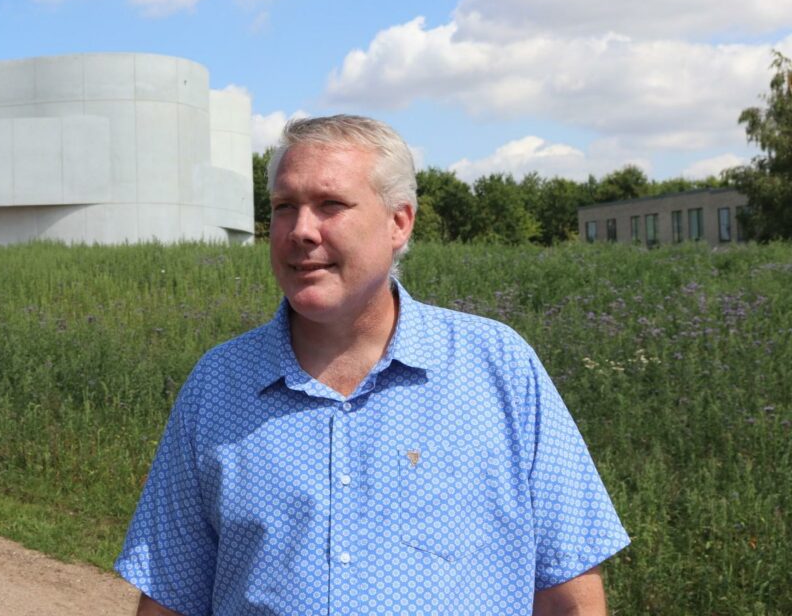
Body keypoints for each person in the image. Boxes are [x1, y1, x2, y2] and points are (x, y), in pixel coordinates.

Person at [116, 115, 629, 616]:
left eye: (330, 205)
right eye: (284, 207)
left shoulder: (498, 369)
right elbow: (171, 594)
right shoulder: (219, 384)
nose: (300, 231)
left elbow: (569, 588)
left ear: (398, 222)